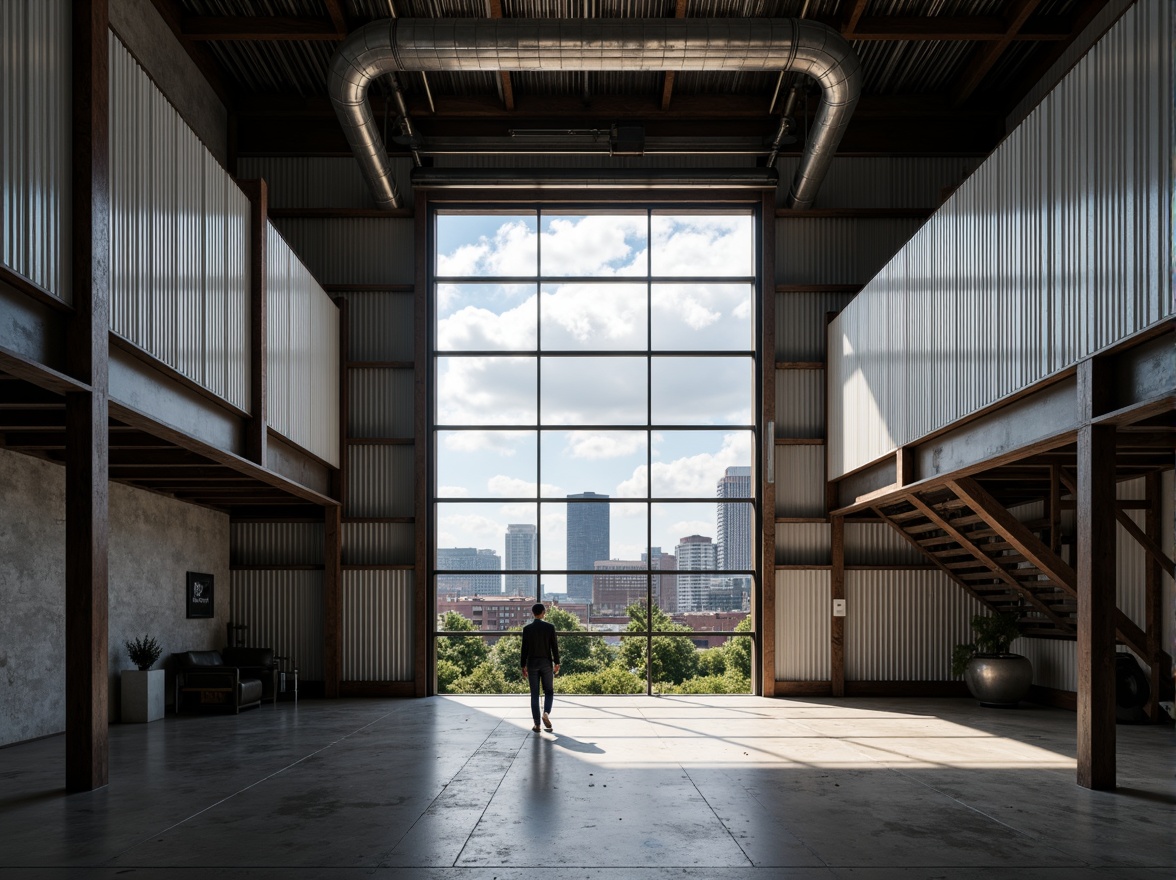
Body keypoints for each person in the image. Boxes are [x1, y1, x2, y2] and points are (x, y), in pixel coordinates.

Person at [520, 602, 560, 732]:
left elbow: (524, 649)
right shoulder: (550, 627)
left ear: (533, 613)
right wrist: (557, 662)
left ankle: (537, 725)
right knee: (549, 691)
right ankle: (546, 713)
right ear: (543, 613)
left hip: (532, 664)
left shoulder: (527, 629)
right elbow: (554, 646)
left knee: (534, 695)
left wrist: (523, 665)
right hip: (546, 663)